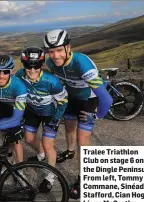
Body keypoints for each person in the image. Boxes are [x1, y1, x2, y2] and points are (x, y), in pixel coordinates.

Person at [43, 29, 113, 199]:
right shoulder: (51, 63)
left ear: (68, 47)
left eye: (59, 50)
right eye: (51, 51)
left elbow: (107, 99)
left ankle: (84, 178)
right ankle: (69, 151)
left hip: (89, 99)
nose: (55, 55)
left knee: (83, 140)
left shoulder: (82, 63)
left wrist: (97, 115)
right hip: (71, 97)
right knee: (69, 128)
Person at [15, 46, 68, 192]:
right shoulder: (19, 75)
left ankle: (50, 177)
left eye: (36, 66)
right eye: (28, 66)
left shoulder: (51, 82)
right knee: (29, 139)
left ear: (42, 65)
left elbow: (64, 102)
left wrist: (55, 120)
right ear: (23, 65)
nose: (32, 70)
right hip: (32, 111)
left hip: (50, 114)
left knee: (48, 144)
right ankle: (41, 154)